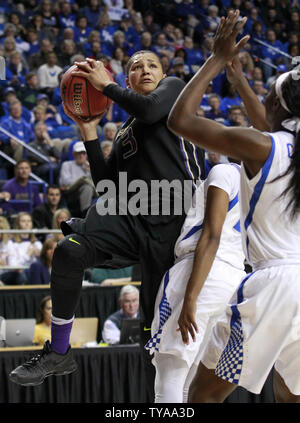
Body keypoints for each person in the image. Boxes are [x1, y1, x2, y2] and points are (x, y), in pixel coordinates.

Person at [9, 50, 204, 398]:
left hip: (177, 221)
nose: (144, 70)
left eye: (151, 65)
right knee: (69, 253)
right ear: (127, 79)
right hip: (135, 217)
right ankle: (59, 350)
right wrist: (88, 131)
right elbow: (107, 186)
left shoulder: (175, 91)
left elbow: (148, 108)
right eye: (135, 67)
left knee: (155, 341)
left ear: (162, 74)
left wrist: (107, 84)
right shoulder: (127, 129)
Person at [167, 10, 300, 403]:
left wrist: (217, 59)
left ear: (277, 106)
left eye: (268, 97)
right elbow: (270, 126)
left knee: (202, 397)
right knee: (290, 395)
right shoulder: (282, 146)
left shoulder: (263, 147)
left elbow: (181, 119)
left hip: (274, 284)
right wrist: (240, 78)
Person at [146, 160, 245, 402]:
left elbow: (211, 235)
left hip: (201, 270)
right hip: (235, 279)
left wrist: (191, 296)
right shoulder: (262, 187)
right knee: (191, 384)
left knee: (170, 374)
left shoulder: (225, 172)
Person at [59, 141, 96, 216]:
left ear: (86, 155)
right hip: (70, 193)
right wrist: (81, 181)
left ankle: (85, 213)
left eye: (83, 153)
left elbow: (96, 183)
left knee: (87, 187)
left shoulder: (89, 167)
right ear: (74, 154)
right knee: (85, 183)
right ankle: (85, 214)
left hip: (88, 193)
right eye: (79, 153)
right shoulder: (67, 165)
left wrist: (91, 172)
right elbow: (66, 182)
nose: (81, 156)